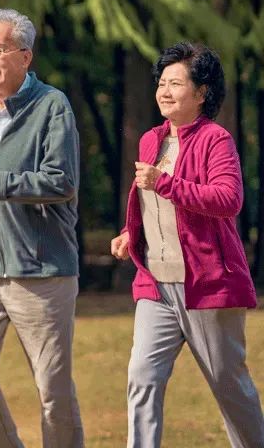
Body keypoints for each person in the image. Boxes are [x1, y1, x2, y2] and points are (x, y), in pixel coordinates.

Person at [110, 42, 264, 447]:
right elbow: (154, 208)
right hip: (156, 286)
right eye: (161, 82)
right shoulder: (151, 140)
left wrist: (164, 183)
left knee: (230, 388)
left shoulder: (216, 140)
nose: (164, 91)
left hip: (208, 286)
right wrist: (131, 236)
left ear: (201, 93)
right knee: (141, 377)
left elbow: (228, 199)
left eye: (175, 83)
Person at [0, 8, 84, 448]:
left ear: (24, 57)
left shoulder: (51, 105)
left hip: (42, 271)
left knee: (52, 392)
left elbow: (61, 182)